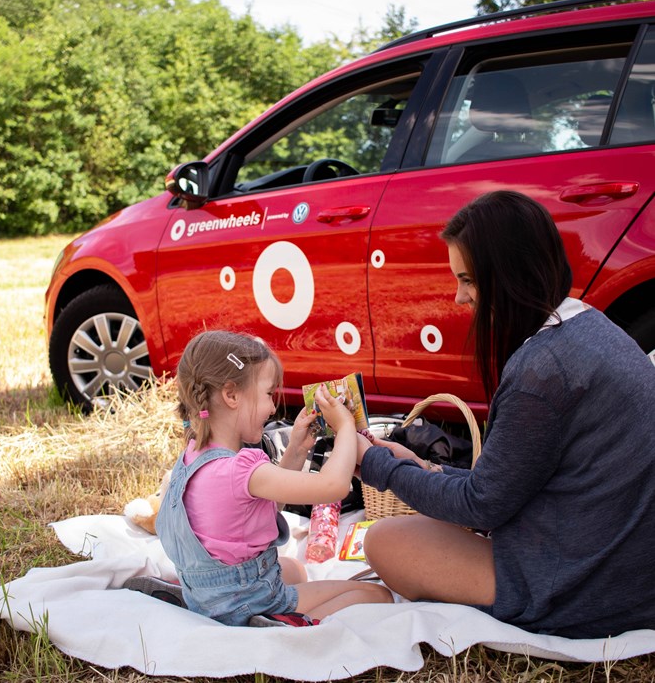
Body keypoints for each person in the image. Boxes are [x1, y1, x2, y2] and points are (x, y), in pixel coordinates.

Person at [356, 190, 655, 638]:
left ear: (510, 273)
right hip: (621, 567)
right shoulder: (588, 325)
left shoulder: (544, 371)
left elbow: (482, 507)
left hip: (585, 587)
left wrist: (375, 466)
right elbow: (510, 481)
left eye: (469, 280)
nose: (460, 298)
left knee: (384, 541)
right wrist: (425, 467)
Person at [149, 330, 392, 627]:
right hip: (251, 599)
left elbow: (258, 508)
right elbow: (334, 486)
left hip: (211, 594)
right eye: (267, 394)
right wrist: (343, 428)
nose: (273, 408)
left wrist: (296, 449)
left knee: (294, 570)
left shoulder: (192, 456)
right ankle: (286, 623)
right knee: (377, 597)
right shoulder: (242, 469)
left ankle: (201, 601)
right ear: (231, 395)